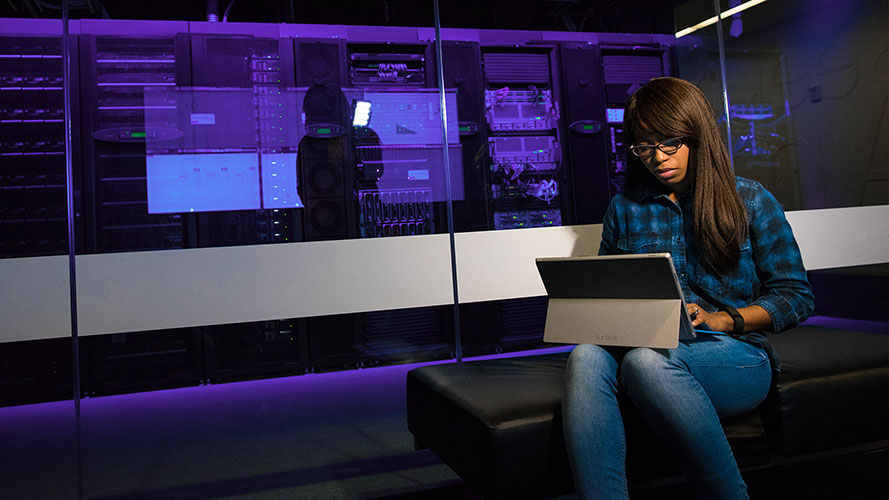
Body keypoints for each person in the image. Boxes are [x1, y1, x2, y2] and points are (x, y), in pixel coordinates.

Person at [562, 77, 814, 500]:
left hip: (734, 353)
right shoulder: (624, 209)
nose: (656, 158)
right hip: (650, 348)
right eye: (643, 147)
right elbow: (609, 295)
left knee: (645, 363)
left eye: (669, 143)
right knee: (585, 355)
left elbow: (796, 296)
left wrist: (721, 318)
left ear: (697, 136)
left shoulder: (749, 200)